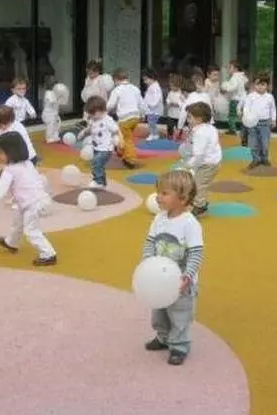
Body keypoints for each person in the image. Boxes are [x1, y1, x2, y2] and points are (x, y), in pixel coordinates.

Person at [142, 170, 204, 366]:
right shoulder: (159, 219)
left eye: (164, 193)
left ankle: (179, 345)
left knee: (179, 315)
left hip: (181, 283)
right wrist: (148, 264)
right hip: (160, 280)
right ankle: (163, 337)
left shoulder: (190, 223)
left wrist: (187, 276)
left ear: (182, 198)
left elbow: (196, 253)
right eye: (158, 192)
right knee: (159, 312)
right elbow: (150, 242)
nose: (158, 197)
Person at [0, 131, 57, 267]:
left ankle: (48, 254)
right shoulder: (28, 163)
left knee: (31, 230)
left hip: (32, 205)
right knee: (18, 220)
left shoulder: (10, 170)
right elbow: (39, 181)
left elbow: (0, 192)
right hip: (38, 201)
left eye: (1, 152)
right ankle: (11, 242)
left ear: (10, 153)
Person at [183, 102, 221, 217]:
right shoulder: (210, 128)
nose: (187, 120)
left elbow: (199, 155)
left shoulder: (200, 133)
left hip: (207, 164)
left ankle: (200, 206)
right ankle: (200, 200)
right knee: (198, 181)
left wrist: (189, 164)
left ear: (199, 119)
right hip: (213, 161)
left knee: (199, 184)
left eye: (189, 117)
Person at [106, 68, 145, 168]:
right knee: (127, 136)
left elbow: (110, 105)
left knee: (126, 139)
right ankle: (123, 152)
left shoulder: (117, 90)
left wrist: (104, 111)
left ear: (115, 79)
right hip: (135, 117)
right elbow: (141, 103)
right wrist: (142, 115)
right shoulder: (135, 88)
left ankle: (130, 159)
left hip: (125, 118)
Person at [79, 95, 120, 189]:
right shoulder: (93, 119)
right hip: (96, 147)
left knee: (96, 162)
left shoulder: (107, 120)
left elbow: (116, 130)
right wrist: (83, 132)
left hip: (106, 148)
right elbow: (90, 129)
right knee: (99, 165)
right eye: (90, 113)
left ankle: (98, 181)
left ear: (101, 110)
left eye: (93, 113)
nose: (91, 115)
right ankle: (102, 182)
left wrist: (117, 139)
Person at [242, 72, 277, 169]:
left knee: (265, 142)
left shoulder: (270, 97)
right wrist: (246, 118)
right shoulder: (250, 96)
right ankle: (255, 159)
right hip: (252, 123)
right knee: (253, 142)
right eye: (258, 84)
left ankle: (264, 158)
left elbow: (273, 109)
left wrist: (273, 120)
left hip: (265, 123)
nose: (260, 87)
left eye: (263, 84)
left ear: (267, 85)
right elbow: (246, 108)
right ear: (254, 84)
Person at [221, 59, 248, 138]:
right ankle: (245, 129)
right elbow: (246, 84)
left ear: (235, 69)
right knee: (242, 115)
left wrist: (224, 85)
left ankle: (232, 130)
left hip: (235, 99)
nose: (228, 69)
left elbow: (232, 87)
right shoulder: (242, 77)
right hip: (242, 99)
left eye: (230, 67)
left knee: (232, 115)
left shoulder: (235, 77)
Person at [41, 77, 68, 144]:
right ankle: (49, 137)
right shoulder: (48, 93)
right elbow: (53, 102)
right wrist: (60, 97)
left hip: (54, 114)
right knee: (51, 126)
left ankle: (55, 136)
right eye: (54, 85)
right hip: (48, 114)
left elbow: (57, 103)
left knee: (57, 124)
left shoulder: (54, 93)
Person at [142, 67, 164, 141]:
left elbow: (157, 98)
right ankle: (155, 134)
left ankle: (153, 134)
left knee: (151, 122)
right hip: (151, 109)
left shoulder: (155, 87)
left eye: (146, 79)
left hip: (155, 109)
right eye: (144, 80)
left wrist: (151, 104)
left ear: (152, 78)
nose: (145, 82)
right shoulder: (152, 86)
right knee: (151, 122)